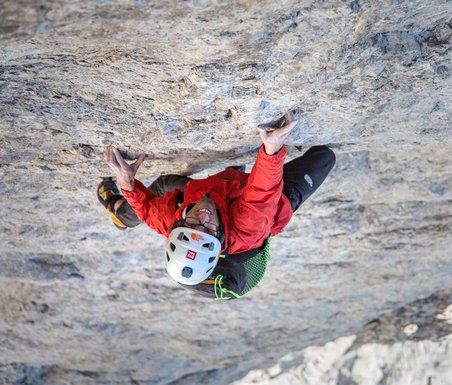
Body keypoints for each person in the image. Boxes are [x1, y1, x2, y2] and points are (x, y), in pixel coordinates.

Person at [97, 112, 335, 300]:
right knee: (324, 156)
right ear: (219, 238)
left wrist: (127, 184)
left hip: (212, 190)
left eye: (192, 224)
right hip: (272, 203)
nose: (204, 216)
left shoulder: (170, 218)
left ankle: (120, 214)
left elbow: (148, 211)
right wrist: (271, 150)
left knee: (165, 185)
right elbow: (261, 193)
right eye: (208, 230)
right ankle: (237, 175)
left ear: (177, 224)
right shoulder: (247, 228)